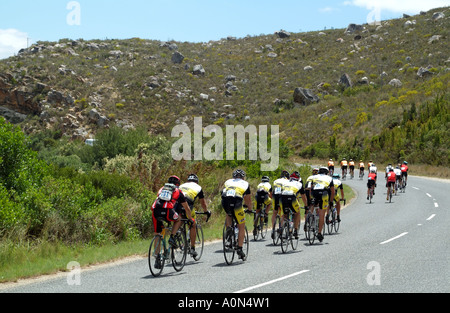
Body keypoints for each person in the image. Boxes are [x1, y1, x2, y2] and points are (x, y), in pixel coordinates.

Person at [151, 176, 193, 250]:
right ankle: (172, 237)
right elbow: (187, 208)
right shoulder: (178, 191)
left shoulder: (162, 189)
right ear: (178, 184)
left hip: (155, 211)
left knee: (157, 233)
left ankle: (157, 257)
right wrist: (190, 219)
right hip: (168, 211)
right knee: (179, 219)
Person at [221, 169, 253, 260]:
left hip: (225, 201)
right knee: (241, 226)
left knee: (229, 213)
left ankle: (229, 230)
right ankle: (239, 248)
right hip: (237, 201)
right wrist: (249, 209)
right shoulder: (245, 183)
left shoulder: (228, 181)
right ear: (243, 177)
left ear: (233, 177)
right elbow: (248, 200)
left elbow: (223, 192)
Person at [179, 174, 212, 258]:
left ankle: (178, 236)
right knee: (193, 224)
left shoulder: (181, 185)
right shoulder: (198, 187)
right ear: (196, 182)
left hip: (177, 205)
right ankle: (192, 248)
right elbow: (203, 203)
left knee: (179, 222)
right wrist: (206, 211)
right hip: (188, 205)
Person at [305, 167, 335, 243]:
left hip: (314, 193)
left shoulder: (314, 177)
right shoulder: (329, 178)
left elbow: (309, 188)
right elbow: (332, 191)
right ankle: (319, 233)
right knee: (322, 215)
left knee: (313, 205)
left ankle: (309, 216)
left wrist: (310, 198)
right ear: (327, 172)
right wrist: (331, 201)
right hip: (323, 194)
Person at [280, 172, 308, 239]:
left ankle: (281, 228)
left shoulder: (285, 182)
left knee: (284, 214)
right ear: (298, 179)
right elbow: (303, 197)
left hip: (282, 198)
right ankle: (295, 230)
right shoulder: (299, 184)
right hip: (291, 198)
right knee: (297, 213)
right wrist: (306, 206)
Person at [271, 170, 290, 239]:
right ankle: (281, 228)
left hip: (275, 196)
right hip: (282, 196)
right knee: (284, 213)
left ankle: (273, 229)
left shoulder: (276, 180)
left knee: (274, 212)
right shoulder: (288, 181)